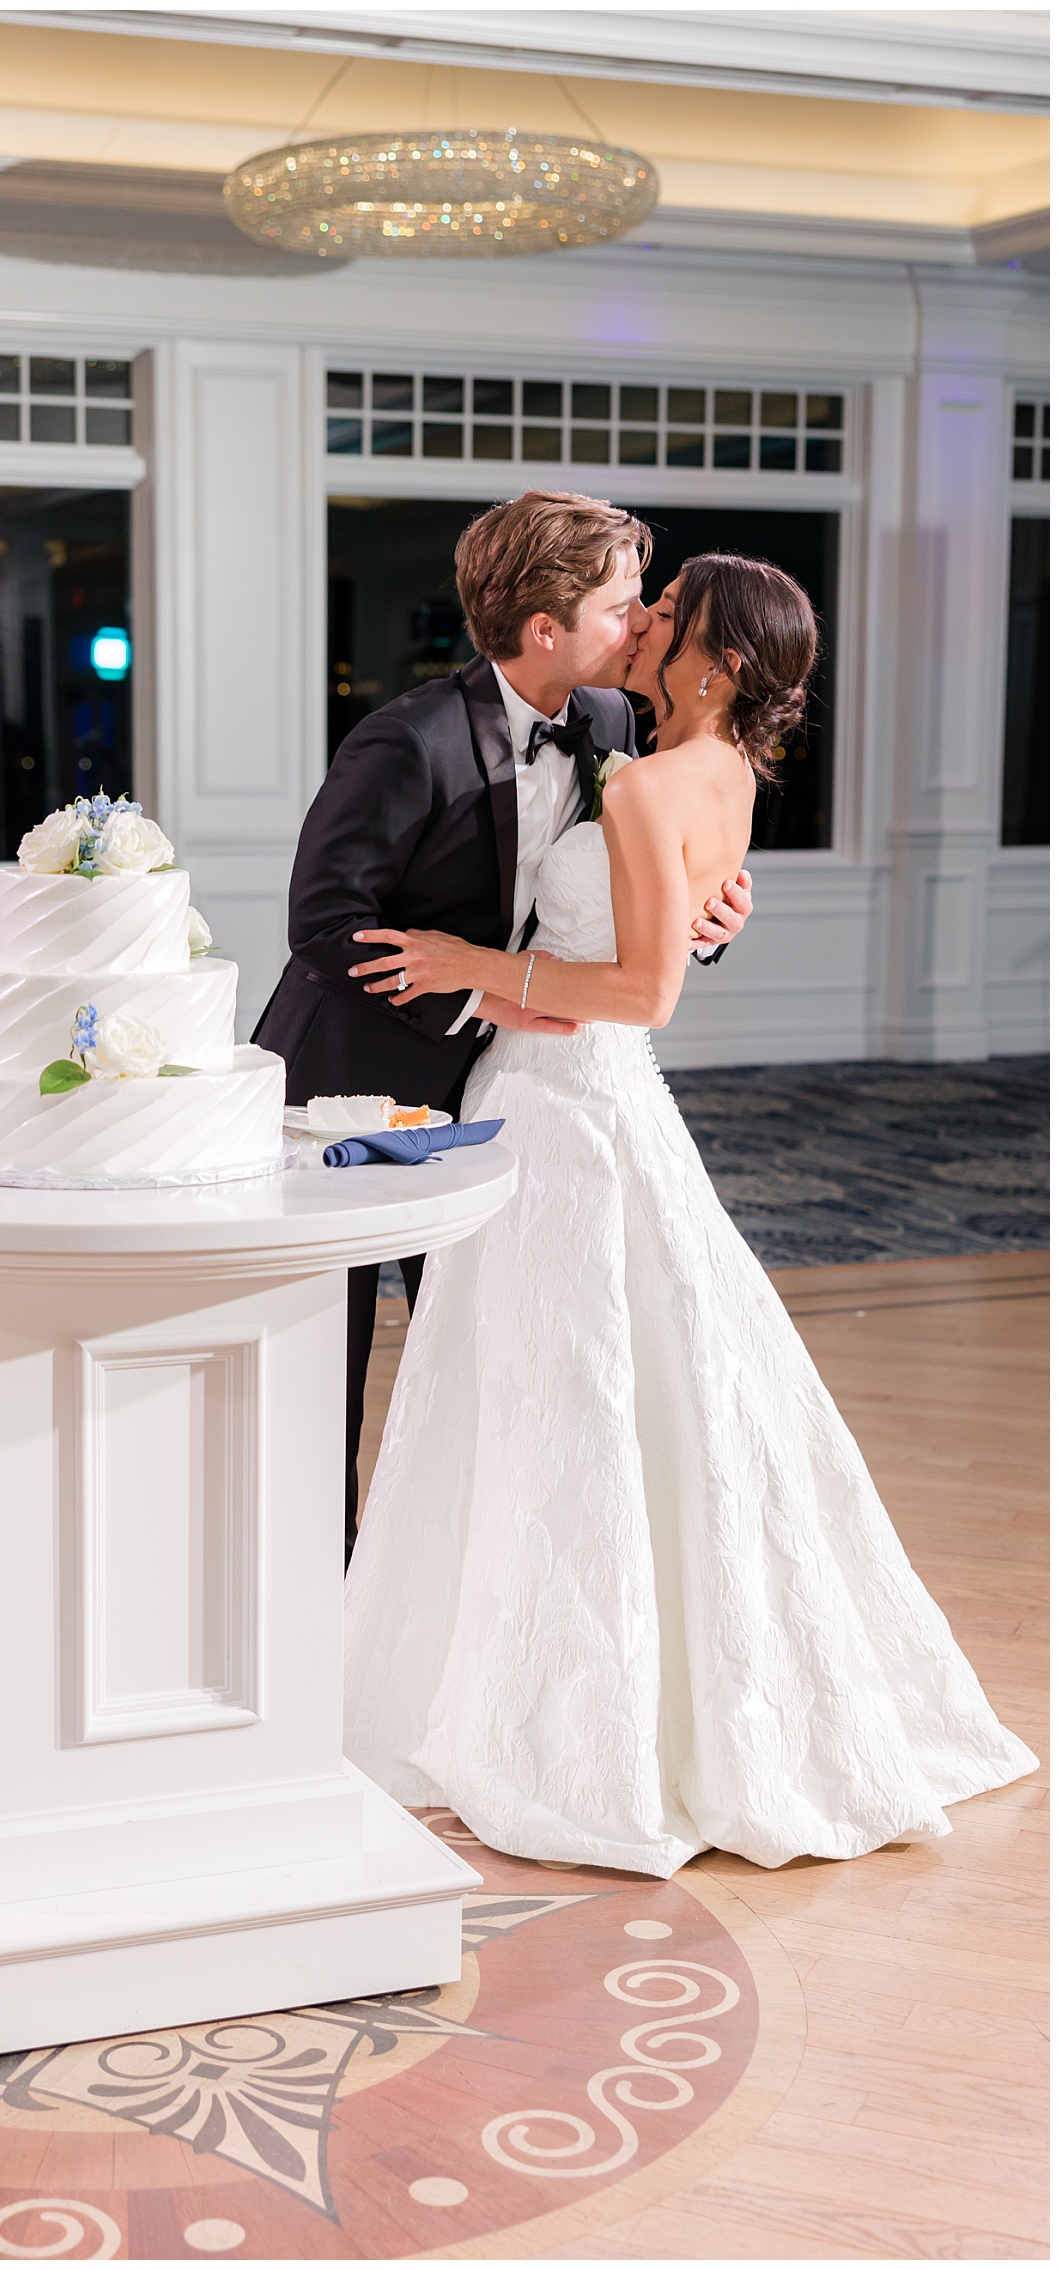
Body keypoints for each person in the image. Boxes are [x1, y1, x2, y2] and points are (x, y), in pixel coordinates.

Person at [341, 552, 1037, 1876]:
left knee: (554, 1394)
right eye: (643, 602)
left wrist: (470, 966)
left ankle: (557, 1714)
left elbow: (646, 990)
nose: (647, 618)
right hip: (590, 1093)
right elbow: (664, 934)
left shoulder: (645, 781)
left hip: (565, 1104)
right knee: (594, 1384)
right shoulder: (717, 771)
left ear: (717, 665)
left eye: (669, 615)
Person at [252, 493, 754, 1560]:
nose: (640, 624)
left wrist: (707, 924)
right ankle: (308, 1584)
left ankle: (442, 1581)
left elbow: (630, 898)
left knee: (476, 1352)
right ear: (544, 629)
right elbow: (323, 924)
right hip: (350, 1080)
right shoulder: (408, 739)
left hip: (505, 1094)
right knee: (325, 1353)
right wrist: (479, 994)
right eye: (621, 606)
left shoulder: (611, 723)